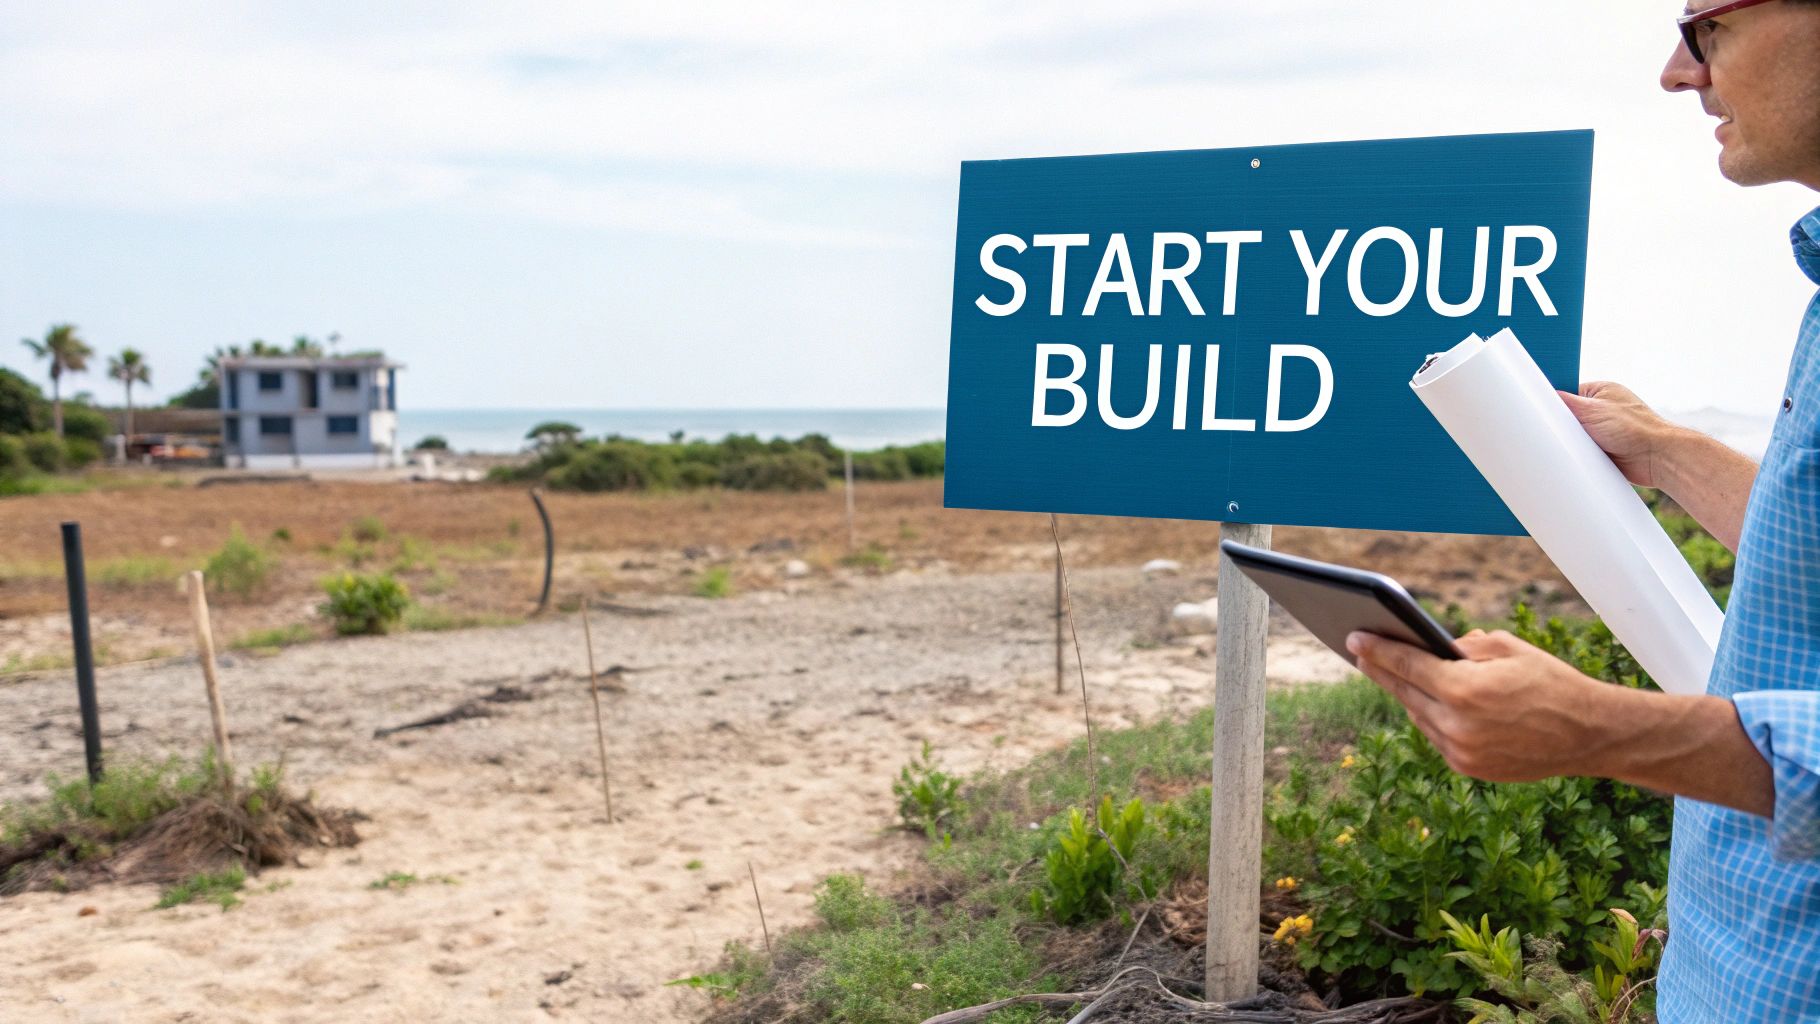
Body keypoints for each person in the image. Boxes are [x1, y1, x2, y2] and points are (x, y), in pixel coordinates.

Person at [1345, 2, 1820, 1019]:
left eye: (1702, 28)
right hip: (1726, 960)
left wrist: (1599, 729)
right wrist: (1661, 452)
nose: (1674, 71)